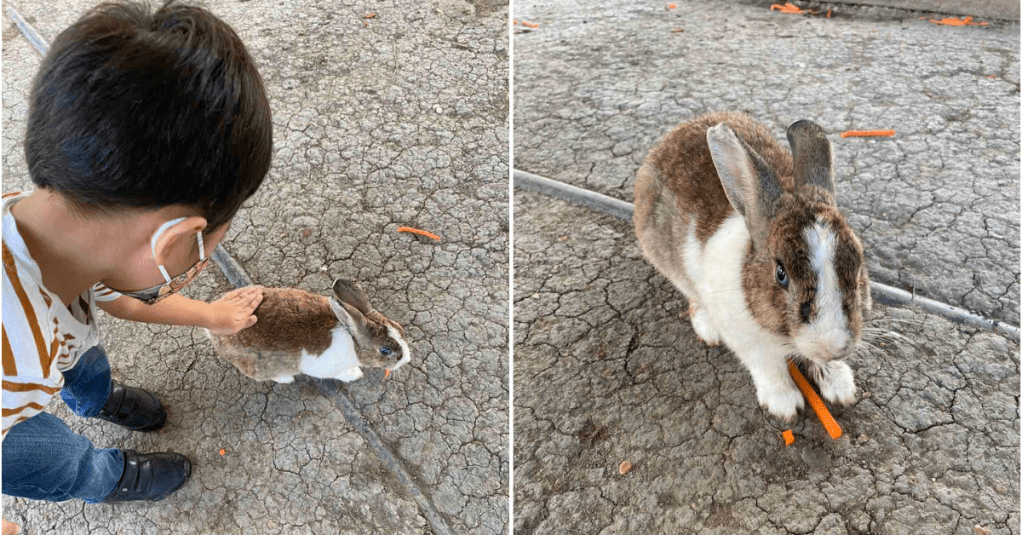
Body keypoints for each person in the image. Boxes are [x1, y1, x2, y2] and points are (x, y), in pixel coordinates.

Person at [2, 0, 273, 516]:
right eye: (209, 247)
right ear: (172, 241)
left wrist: (212, 316)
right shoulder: (13, 352)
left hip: (53, 348)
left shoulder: (62, 225)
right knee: (57, 460)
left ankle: (94, 397)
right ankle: (105, 476)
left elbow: (123, 299)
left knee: (85, 362)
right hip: (8, 430)